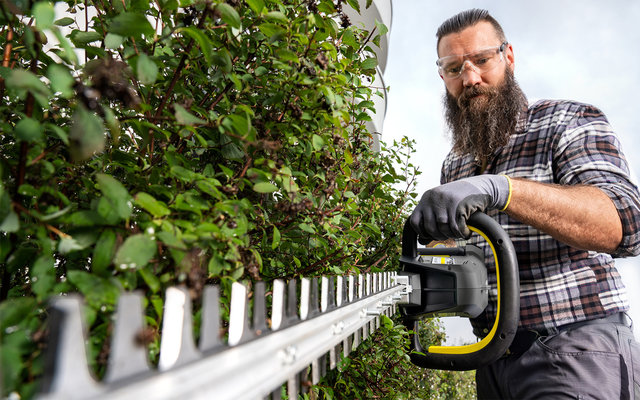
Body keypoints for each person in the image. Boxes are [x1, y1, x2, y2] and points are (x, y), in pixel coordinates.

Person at [409, 8, 640, 399]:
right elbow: (464, 249)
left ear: (508, 56)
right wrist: (426, 250)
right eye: (454, 68)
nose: (470, 79)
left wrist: (503, 189)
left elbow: (624, 222)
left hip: (576, 349)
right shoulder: (457, 163)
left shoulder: (566, 121)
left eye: (481, 60)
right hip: (490, 358)